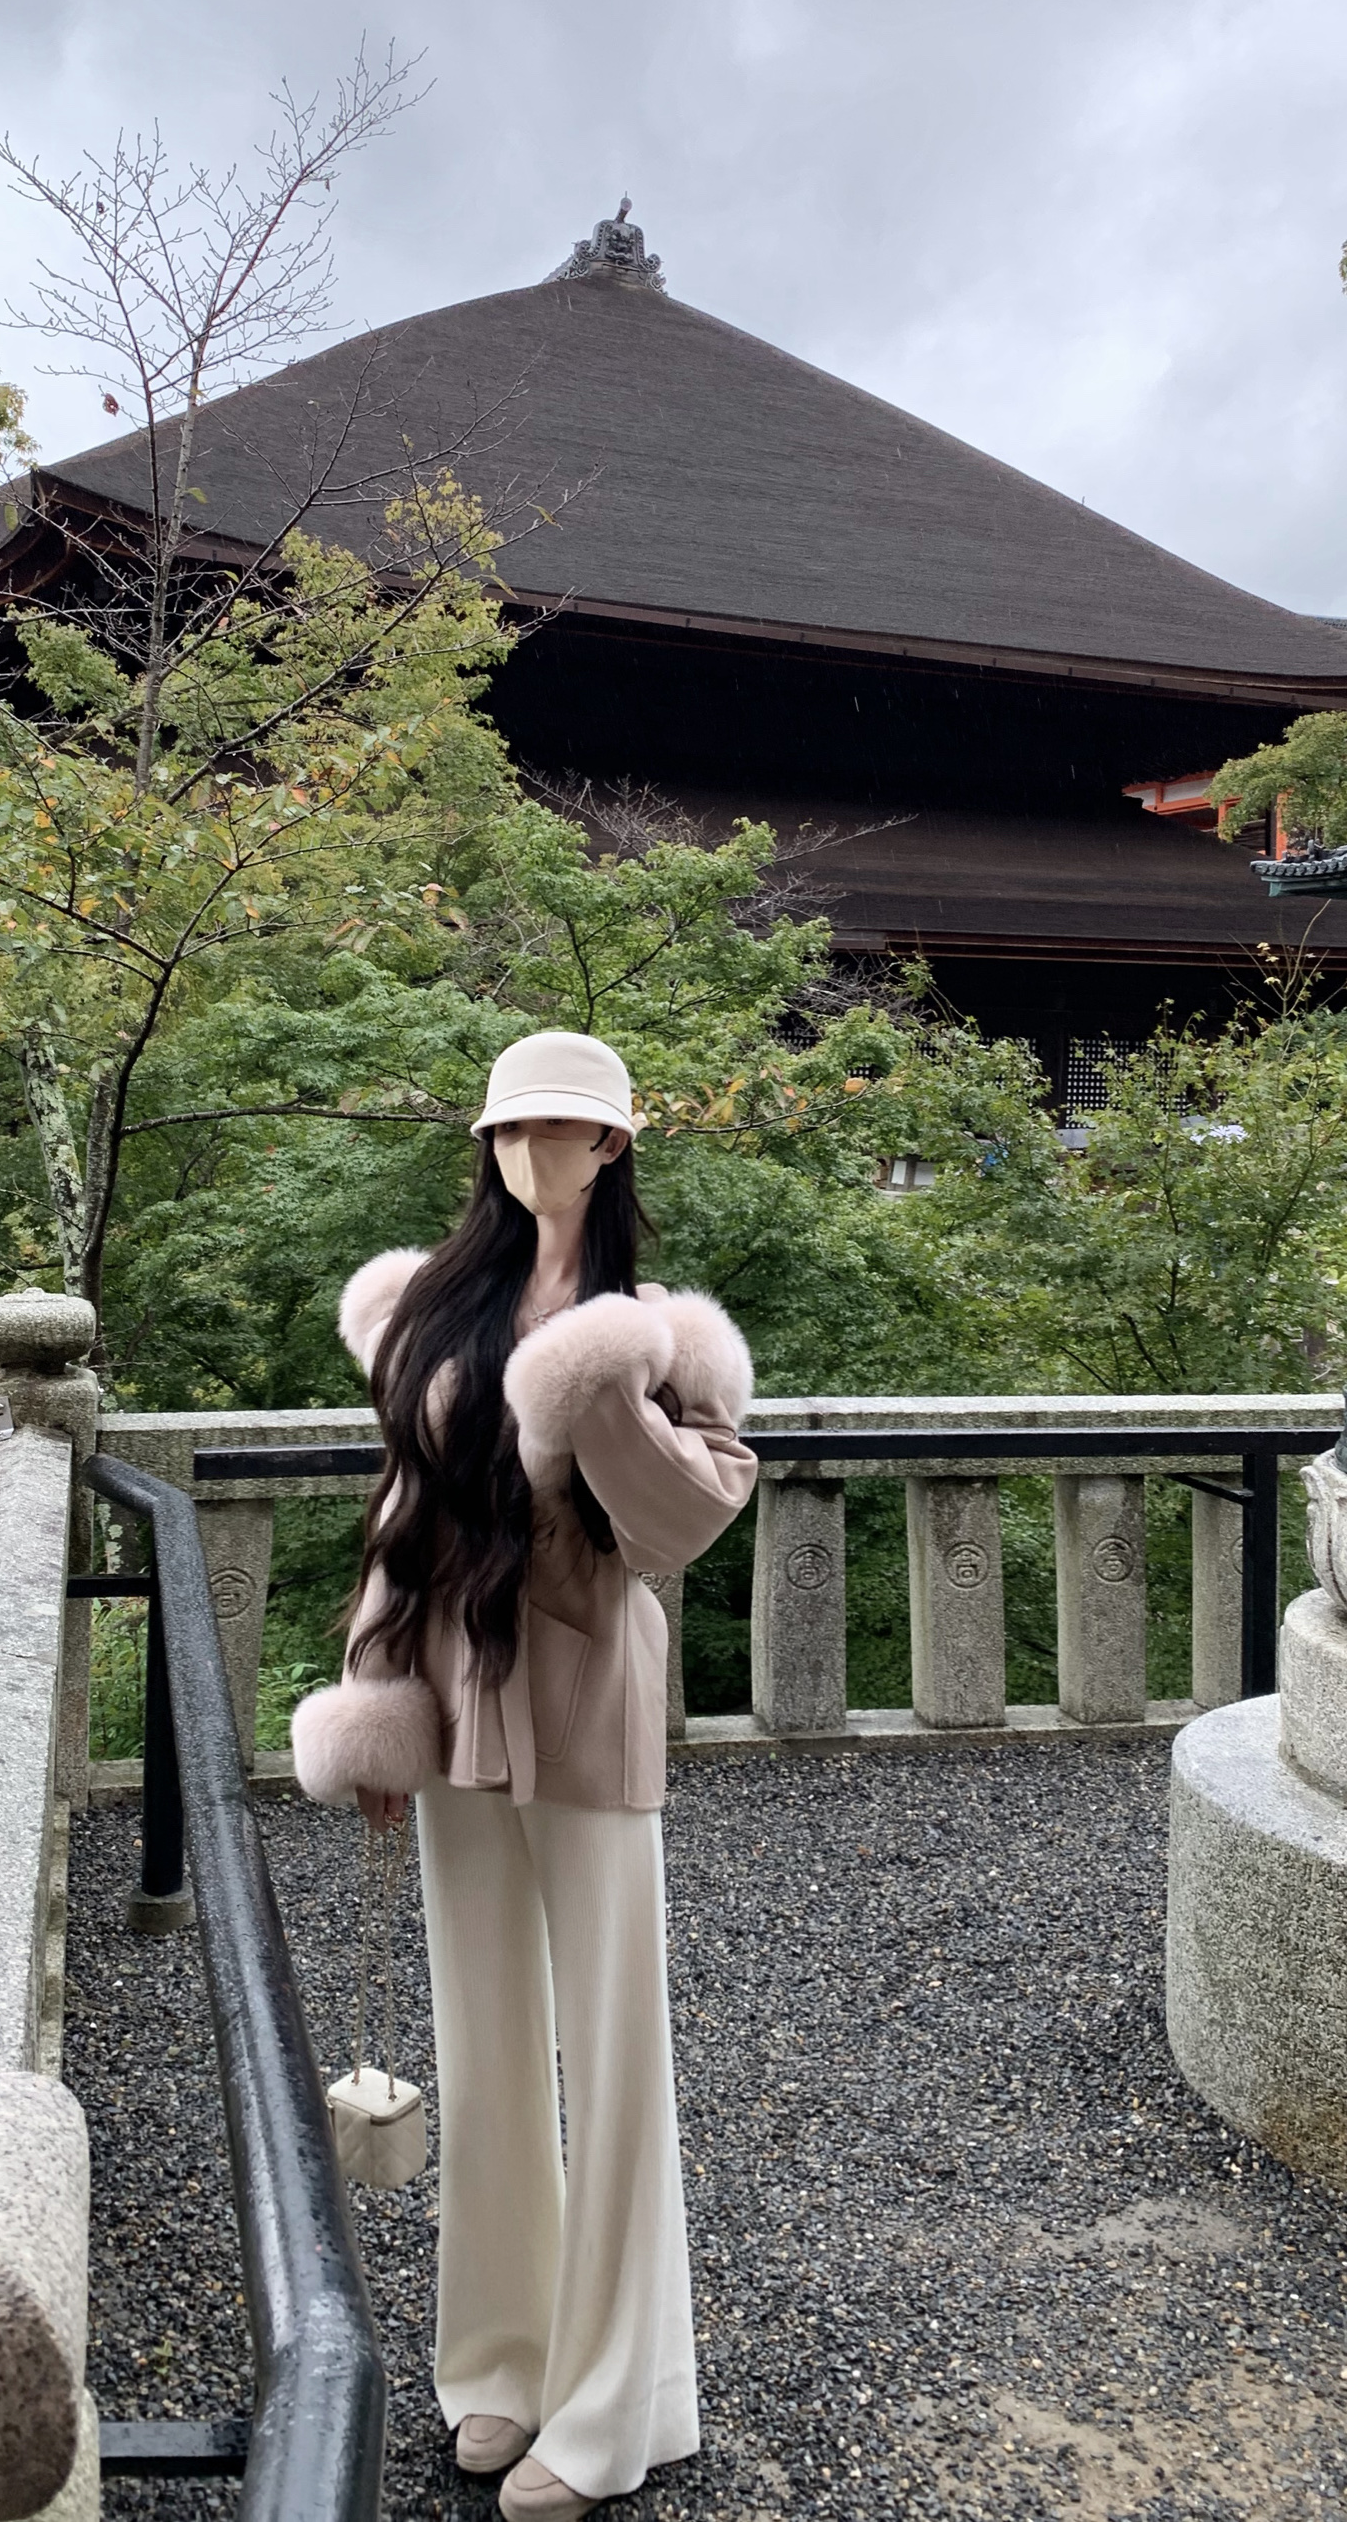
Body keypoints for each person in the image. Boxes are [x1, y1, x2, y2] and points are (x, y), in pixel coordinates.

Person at [291, 1030, 758, 2519]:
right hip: (451, 1694)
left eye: (556, 1128)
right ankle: (500, 2359)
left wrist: (592, 1389)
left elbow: (679, 1528)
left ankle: (618, 2404)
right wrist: (377, 1701)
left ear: (612, 1144)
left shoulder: (659, 1339)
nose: (525, 1152)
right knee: (483, 2038)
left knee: (615, 2058)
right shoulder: (431, 1306)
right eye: (505, 1128)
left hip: (585, 1696)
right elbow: (402, 1512)